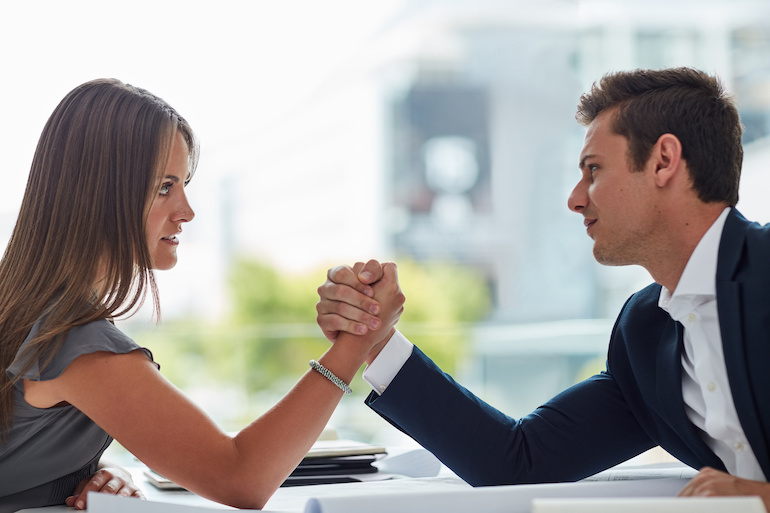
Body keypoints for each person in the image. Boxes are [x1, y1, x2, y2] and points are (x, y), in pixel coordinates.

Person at [315, 67, 770, 508]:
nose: (575, 198)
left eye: (594, 170)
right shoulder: (646, 333)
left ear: (663, 162)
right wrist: (377, 339)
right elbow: (520, 462)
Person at [0, 78, 404, 512]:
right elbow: (241, 478)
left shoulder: (34, 312)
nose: (186, 212)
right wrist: (357, 340)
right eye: (164, 187)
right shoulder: (77, 344)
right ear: (101, 194)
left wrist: (102, 472)